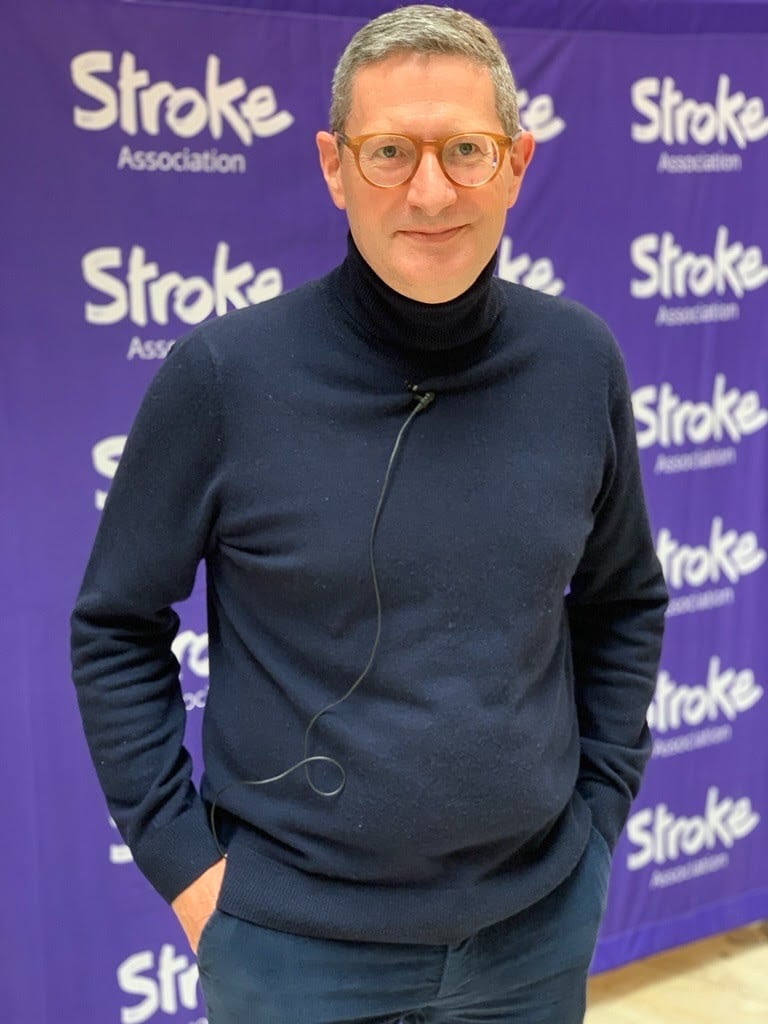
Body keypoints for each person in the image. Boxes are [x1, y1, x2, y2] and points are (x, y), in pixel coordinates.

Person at [71, 5, 668, 1022]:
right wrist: (189, 871)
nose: (429, 192)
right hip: (291, 954)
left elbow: (623, 599)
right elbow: (116, 627)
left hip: (531, 936)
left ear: (516, 163)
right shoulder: (221, 376)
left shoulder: (580, 362)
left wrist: (598, 822)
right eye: (390, 151)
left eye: (465, 151)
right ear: (335, 166)